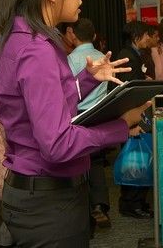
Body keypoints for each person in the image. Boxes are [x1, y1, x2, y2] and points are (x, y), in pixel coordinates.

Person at [0, 0, 148, 247]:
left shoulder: (22, 36)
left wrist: (88, 79)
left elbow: (42, 102)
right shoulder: (37, 49)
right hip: (49, 203)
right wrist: (122, 126)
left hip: (33, 195)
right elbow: (57, 145)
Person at [66, 17, 112, 229]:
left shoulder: (71, 59)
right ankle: (100, 207)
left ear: (72, 34)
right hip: (100, 114)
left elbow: (69, 92)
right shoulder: (103, 56)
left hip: (79, 114)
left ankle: (82, 212)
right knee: (96, 162)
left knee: (78, 162)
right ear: (94, 36)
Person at [112, 20, 154, 219]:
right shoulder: (127, 56)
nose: (149, 39)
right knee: (132, 163)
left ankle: (138, 201)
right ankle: (130, 204)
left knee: (141, 161)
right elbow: (126, 91)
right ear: (137, 36)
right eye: (146, 35)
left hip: (136, 114)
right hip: (130, 117)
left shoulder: (136, 55)